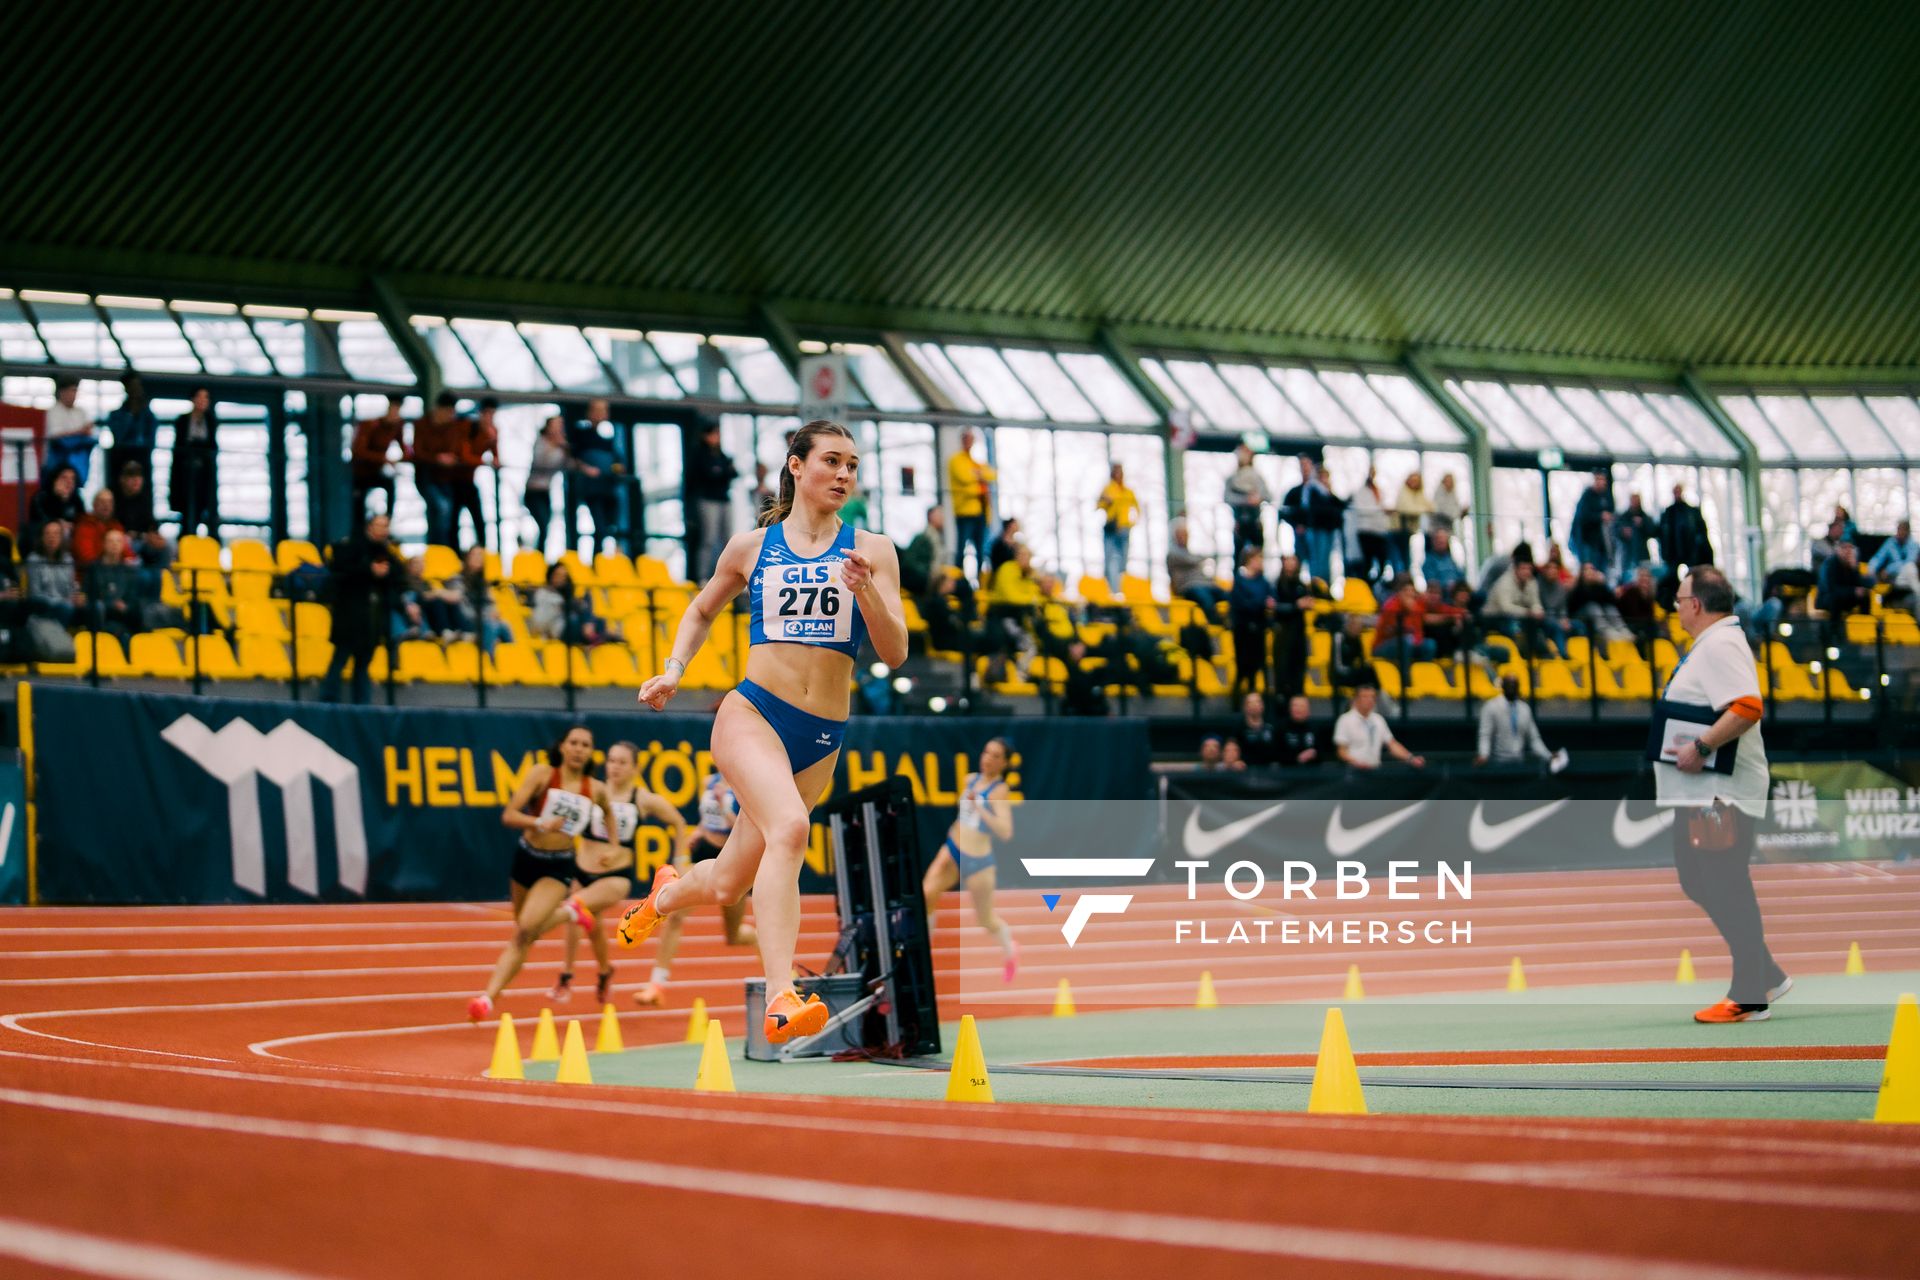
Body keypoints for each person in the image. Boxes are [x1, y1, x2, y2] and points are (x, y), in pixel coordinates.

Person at [618, 420, 908, 1046]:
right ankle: (782, 995)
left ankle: (664, 896)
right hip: (753, 714)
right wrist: (673, 670)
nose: (844, 475)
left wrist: (868, 596)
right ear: (797, 467)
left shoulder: (874, 550)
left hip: (822, 735)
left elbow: (895, 652)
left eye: (853, 465)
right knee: (792, 829)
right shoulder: (752, 547)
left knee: (726, 884)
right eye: (832, 461)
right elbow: (701, 608)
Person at [1657, 567, 1786, 1024]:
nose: (1675, 607)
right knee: (1698, 878)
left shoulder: (1722, 643)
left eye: (1678, 600)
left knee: (1724, 882)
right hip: (1705, 792)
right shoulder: (1712, 645)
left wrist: (1701, 745)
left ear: (1696, 604)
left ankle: (1750, 992)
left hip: (1720, 792)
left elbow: (1748, 706)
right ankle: (1764, 969)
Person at [467, 726, 614, 1021]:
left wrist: (611, 848)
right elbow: (509, 815)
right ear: (562, 747)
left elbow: (609, 813)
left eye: (585, 744)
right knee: (524, 934)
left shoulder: (595, 789)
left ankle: (487, 998)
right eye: (573, 743)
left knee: (525, 930)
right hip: (526, 859)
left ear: (590, 752)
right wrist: (539, 824)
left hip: (557, 865)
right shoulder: (543, 774)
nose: (578, 749)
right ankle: (572, 913)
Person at [543, 741, 684, 1007]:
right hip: (582, 868)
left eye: (622, 762)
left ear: (635, 768)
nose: (615, 767)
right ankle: (606, 970)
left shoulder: (641, 798)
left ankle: (565, 976)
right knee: (590, 925)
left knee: (574, 909)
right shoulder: (593, 790)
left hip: (615, 876)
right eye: (611, 760)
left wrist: (681, 860)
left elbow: (677, 821)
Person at [636, 768, 759, 1008]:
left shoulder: (748, 783)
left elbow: (748, 827)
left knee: (733, 936)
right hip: (703, 852)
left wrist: (725, 805)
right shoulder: (709, 781)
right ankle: (656, 984)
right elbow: (707, 817)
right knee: (675, 914)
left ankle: (779, 970)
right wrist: (700, 831)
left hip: (733, 857)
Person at [921, 737, 1019, 982]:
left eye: (996, 756)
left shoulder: (999, 791)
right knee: (925, 896)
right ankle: (924, 957)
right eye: (987, 752)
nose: (988, 758)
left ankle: (1010, 950)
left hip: (979, 861)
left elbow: (1005, 832)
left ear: (1005, 763)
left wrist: (982, 807)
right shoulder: (970, 779)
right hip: (953, 849)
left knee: (985, 920)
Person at [321, 513, 402, 704]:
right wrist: (369, 570)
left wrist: (385, 572)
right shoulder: (349, 546)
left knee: (363, 665)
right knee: (340, 659)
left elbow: (399, 574)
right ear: (369, 526)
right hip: (349, 617)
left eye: (385, 526)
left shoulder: (386, 552)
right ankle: (329, 701)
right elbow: (341, 570)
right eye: (379, 525)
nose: (383, 530)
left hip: (371, 622)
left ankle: (362, 705)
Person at [565, 397, 624, 556]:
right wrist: (586, 469)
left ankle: (611, 557)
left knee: (611, 526)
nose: (600, 414)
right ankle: (595, 561)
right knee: (599, 528)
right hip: (592, 488)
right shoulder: (580, 433)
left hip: (608, 487)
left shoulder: (611, 437)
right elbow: (571, 456)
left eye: (603, 410)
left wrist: (618, 469)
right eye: (597, 410)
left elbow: (618, 461)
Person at [688, 420, 737, 580]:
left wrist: (720, 472)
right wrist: (721, 472)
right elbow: (708, 474)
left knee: (727, 541)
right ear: (705, 436)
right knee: (709, 539)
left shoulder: (721, 455)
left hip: (723, 498)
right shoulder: (700, 455)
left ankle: (727, 577)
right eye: (714, 434)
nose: (717, 437)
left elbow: (731, 473)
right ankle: (703, 577)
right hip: (708, 499)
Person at [1333, 684, 1424, 770]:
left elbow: (1392, 744)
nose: (1370, 700)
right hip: (1352, 772)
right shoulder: (1345, 720)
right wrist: (1356, 762)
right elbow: (1341, 751)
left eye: (1372, 697)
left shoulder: (1378, 720)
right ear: (1356, 699)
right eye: (1365, 697)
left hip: (1374, 771)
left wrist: (1411, 758)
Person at [946, 428, 995, 585]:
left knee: (980, 551)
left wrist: (977, 475)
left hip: (981, 512)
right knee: (962, 550)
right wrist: (979, 477)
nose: (969, 442)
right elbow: (965, 478)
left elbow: (992, 474)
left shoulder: (974, 462)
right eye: (967, 438)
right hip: (965, 512)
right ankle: (958, 581)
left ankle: (978, 582)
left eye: (971, 439)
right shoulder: (956, 460)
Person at [170, 386, 220, 537]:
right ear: (193, 399)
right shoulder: (182, 420)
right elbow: (179, 446)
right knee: (188, 512)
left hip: (204, 473)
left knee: (203, 508)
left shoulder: (210, 420)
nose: (202, 401)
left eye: (206, 397)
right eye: (200, 396)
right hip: (185, 472)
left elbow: (212, 445)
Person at [453, 396, 501, 551]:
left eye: (492, 414)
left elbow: (495, 456)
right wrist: (484, 462)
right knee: (452, 520)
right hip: (454, 481)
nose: (489, 418)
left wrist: (492, 443)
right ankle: (455, 552)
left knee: (479, 520)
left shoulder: (490, 432)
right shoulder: (468, 427)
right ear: (480, 413)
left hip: (469, 481)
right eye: (486, 413)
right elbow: (464, 456)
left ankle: (482, 551)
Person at [1228, 547, 1276, 696]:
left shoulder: (1264, 581)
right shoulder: (1239, 581)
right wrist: (1261, 603)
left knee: (1257, 664)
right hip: (1242, 628)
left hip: (1259, 628)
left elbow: (1271, 598)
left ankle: (1253, 693)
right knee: (1243, 663)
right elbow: (1242, 603)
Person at [349, 395, 406, 522]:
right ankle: (359, 533)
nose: (395, 413)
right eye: (393, 409)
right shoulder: (370, 425)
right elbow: (358, 451)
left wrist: (403, 457)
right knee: (358, 508)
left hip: (376, 470)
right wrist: (384, 459)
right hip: (360, 472)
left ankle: (386, 522)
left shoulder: (396, 426)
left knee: (390, 485)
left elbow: (405, 448)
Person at [1476, 674, 1551, 766]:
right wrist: (1484, 755)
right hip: (1498, 763)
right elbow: (1485, 735)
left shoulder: (1524, 709)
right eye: (1509, 684)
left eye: (1514, 684)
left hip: (1519, 763)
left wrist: (1549, 756)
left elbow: (1534, 739)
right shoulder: (1491, 707)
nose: (1512, 687)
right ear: (1502, 686)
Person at [523, 415, 571, 556]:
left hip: (546, 492)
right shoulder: (541, 442)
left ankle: (541, 555)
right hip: (533, 491)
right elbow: (540, 462)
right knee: (543, 525)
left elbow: (566, 465)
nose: (558, 428)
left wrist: (565, 449)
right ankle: (538, 556)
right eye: (556, 425)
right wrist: (555, 445)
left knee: (547, 527)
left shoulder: (562, 445)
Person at [110, 463, 170, 569]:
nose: (136, 481)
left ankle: (160, 580)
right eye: (132, 477)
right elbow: (113, 524)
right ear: (122, 479)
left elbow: (151, 523)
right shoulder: (114, 498)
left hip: (142, 539)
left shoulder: (144, 499)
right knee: (127, 541)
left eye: (139, 477)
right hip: (124, 539)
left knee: (168, 544)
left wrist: (155, 535)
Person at [103, 372, 158, 489]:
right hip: (122, 457)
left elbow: (151, 441)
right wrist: (130, 414)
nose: (136, 390)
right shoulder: (116, 415)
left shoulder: (148, 416)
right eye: (132, 386)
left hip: (142, 457)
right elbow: (118, 436)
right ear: (126, 389)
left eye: (138, 386)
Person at [23, 521, 84, 626]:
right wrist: (63, 601)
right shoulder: (33, 559)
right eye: (48, 534)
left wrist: (77, 596)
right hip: (42, 606)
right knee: (65, 608)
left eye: (56, 534)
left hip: (65, 605)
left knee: (92, 608)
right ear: (41, 538)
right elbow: (34, 593)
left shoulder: (68, 560)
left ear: (62, 538)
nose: (52, 538)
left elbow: (71, 588)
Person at [42, 376, 96, 486]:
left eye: (75, 391)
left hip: (78, 461)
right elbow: (54, 435)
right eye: (71, 391)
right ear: (62, 392)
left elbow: (89, 432)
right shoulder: (53, 411)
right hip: (57, 460)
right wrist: (79, 431)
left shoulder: (81, 411)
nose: (74, 395)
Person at [1166, 518, 1225, 617]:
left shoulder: (1190, 553)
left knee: (1228, 596)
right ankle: (1216, 625)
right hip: (1188, 587)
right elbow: (1191, 560)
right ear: (1175, 536)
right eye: (1181, 534)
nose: (1184, 537)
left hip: (1206, 584)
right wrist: (1204, 558)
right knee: (1206, 599)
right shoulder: (1173, 554)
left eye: (1186, 534)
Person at [1224, 444, 1271, 568]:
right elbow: (1227, 497)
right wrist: (1246, 499)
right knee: (1238, 556)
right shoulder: (1233, 478)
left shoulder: (1257, 476)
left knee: (1258, 554)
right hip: (1239, 522)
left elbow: (1267, 496)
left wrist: (1258, 498)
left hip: (1255, 521)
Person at [1096, 463, 1139, 592]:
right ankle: (1112, 590)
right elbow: (1099, 506)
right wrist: (1105, 501)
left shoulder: (1128, 491)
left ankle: (1120, 589)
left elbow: (1137, 508)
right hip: (1111, 529)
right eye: (1116, 471)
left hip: (1124, 529)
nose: (1118, 474)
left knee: (1122, 562)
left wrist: (1131, 524)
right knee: (1110, 560)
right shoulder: (1108, 489)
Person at [1348, 468, 1391, 585]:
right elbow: (1363, 509)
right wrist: (1380, 510)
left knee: (1382, 561)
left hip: (1379, 531)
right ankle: (1367, 585)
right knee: (1367, 561)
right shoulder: (1360, 492)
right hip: (1366, 531)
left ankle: (1377, 583)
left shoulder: (1379, 491)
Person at [26, 464, 84, 548]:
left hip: (70, 542)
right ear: (54, 480)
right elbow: (39, 521)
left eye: (72, 479)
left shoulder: (77, 500)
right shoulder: (40, 497)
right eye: (64, 478)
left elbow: (82, 521)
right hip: (43, 542)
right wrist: (59, 500)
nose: (69, 482)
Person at [1570, 470, 1615, 575]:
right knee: (1589, 571)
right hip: (1588, 542)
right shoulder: (1587, 497)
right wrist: (1600, 516)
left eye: (1603, 479)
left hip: (1603, 544)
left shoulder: (1607, 496)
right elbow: (1582, 518)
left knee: (1602, 572)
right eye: (1599, 479)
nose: (1601, 482)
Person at [1659, 484, 1713, 571]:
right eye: (1675, 492)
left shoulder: (1692, 512)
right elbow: (1662, 535)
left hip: (1691, 554)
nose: (1677, 494)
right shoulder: (1668, 514)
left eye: (1679, 491)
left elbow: (1701, 533)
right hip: (1673, 555)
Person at [900, 505, 947, 596]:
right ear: (931, 516)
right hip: (925, 584)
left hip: (931, 582)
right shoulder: (923, 538)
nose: (943, 517)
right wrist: (929, 577)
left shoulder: (936, 538)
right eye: (940, 514)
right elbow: (909, 563)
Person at [1391, 473, 1431, 576]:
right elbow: (1407, 509)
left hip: (1409, 533)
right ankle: (1401, 580)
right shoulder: (1403, 492)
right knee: (1398, 561)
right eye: (1412, 480)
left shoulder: (1419, 494)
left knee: (1408, 560)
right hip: (1397, 532)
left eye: (1416, 480)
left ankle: (1407, 578)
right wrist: (1421, 509)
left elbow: (1432, 507)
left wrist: (1419, 508)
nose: (1414, 483)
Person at [70, 490, 123, 568]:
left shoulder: (117, 526)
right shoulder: (84, 526)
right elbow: (86, 558)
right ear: (94, 505)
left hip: (116, 571)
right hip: (92, 572)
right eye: (102, 502)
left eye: (109, 502)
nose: (106, 505)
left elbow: (126, 552)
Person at [1815, 541, 1865, 623]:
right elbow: (1832, 589)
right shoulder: (1831, 564)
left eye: (1850, 548)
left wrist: (1854, 569)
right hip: (1827, 597)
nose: (1848, 551)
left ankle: (1863, 627)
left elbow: (1858, 585)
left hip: (1846, 596)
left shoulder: (1852, 563)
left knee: (1865, 596)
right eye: (1845, 548)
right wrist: (1853, 591)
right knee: (1836, 599)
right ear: (1838, 550)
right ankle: (1834, 631)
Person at [1059, 636, 1110, 716]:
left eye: (1080, 646)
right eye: (1075, 646)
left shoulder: (1092, 666)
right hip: (1074, 704)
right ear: (1070, 648)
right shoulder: (1066, 665)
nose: (1078, 649)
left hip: (1092, 704)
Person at [1614, 492, 1655, 579]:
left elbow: (1653, 532)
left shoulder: (1645, 517)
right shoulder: (1623, 517)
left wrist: (1643, 524)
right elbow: (1615, 532)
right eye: (1633, 500)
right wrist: (1622, 531)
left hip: (1642, 554)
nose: (1635, 503)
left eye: (1637, 500)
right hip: (1627, 556)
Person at [1233, 692, 1277, 767]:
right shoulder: (1238, 728)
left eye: (1257, 702)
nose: (1254, 705)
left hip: (1269, 772)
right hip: (1246, 772)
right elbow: (1232, 749)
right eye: (1250, 703)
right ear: (1245, 707)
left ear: (1262, 706)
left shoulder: (1272, 726)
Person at [1279, 695, 1322, 767]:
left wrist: (1314, 754)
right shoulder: (1281, 728)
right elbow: (1276, 755)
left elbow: (1322, 755)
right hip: (1287, 773)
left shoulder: (1315, 729)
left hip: (1311, 773)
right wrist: (1298, 758)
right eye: (1295, 706)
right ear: (1289, 709)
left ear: (1308, 711)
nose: (1298, 709)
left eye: (1302, 706)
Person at [1420, 528, 1464, 593]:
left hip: (1456, 593)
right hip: (1441, 595)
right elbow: (1432, 583)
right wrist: (1447, 586)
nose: (1441, 541)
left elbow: (1461, 576)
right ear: (1433, 542)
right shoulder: (1428, 561)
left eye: (1443, 539)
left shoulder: (1452, 559)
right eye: (1438, 539)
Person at [1429, 473, 1467, 537]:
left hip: (1450, 530)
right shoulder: (1438, 494)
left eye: (1451, 481)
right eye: (1447, 481)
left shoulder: (1454, 494)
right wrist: (1458, 513)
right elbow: (1441, 510)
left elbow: (1455, 510)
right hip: (1438, 529)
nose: (1449, 483)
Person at [987, 515, 1023, 582]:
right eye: (1016, 523)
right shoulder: (999, 543)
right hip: (1002, 576)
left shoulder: (1017, 544)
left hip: (1014, 576)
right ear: (1010, 525)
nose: (1018, 525)